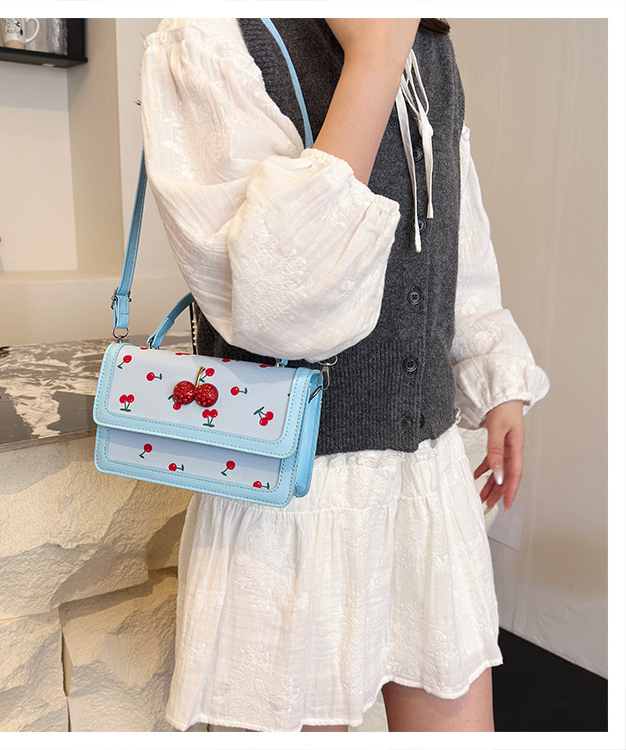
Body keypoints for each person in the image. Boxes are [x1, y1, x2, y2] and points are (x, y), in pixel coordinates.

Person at [139, 17, 550, 732]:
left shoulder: (429, 44)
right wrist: (372, 59)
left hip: (423, 472)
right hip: (289, 496)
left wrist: (495, 375)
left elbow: (455, 234)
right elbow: (279, 307)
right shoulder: (211, 37)